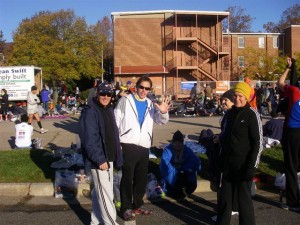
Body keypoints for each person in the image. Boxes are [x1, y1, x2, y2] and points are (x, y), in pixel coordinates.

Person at [114, 75, 170, 221]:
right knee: (127, 178)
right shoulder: (125, 101)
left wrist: (163, 112)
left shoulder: (151, 104)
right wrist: (117, 143)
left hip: (144, 145)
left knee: (140, 178)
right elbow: (116, 122)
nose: (144, 91)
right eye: (141, 87)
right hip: (127, 144)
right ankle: (125, 207)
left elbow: (161, 121)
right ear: (136, 87)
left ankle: (137, 204)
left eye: (147, 88)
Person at [217, 82, 263, 225]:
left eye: (240, 96)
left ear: (247, 97)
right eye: (235, 95)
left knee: (244, 202)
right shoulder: (229, 114)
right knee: (225, 200)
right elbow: (225, 136)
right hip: (228, 164)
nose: (237, 99)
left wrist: (252, 167)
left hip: (244, 166)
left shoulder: (252, 114)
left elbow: (258, 143)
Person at [79, 81, 123, 225]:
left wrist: (117, 155)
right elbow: (89, 139)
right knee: (106, 195)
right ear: (97, 93)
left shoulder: (108, 109)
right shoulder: (90, 111)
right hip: (99, 160)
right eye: (103, 93)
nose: (105, 97)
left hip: (109, 157)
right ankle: (111, 223)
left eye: (108, 94)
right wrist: (99, 159)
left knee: (101, 194)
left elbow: (112, 135)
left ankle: (96, 221)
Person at [277, 57, 300, 211]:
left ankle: (293, 202)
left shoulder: (295, 91)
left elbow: (280, 83)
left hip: (293, 132)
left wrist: (287, 68)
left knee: (291, 167)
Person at [160, 130, 200, 199]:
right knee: (175, 190)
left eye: (179, 142)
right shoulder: (168, 150)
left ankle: (187, 188)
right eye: (175, 142)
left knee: (191, 184)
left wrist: (185, 170)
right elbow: (164, 165)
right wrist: (175, 177)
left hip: (183, 172)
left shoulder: (187, 150)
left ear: (182, 143)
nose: (177, 144)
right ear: (172, 142)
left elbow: (196, 161)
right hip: (173, 176)